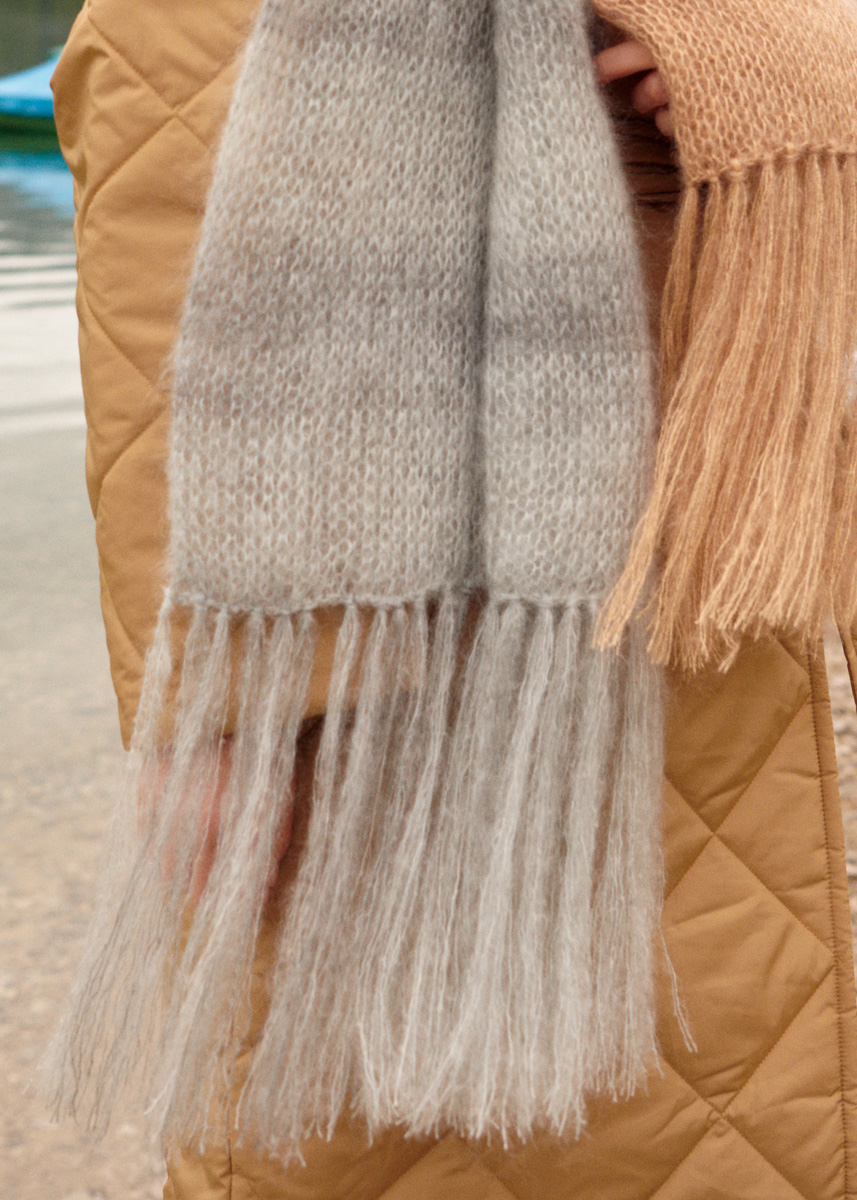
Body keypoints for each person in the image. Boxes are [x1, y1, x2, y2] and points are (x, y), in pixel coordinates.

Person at [48, 2, 857, 1197]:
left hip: (719, 622)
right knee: (404, 1121)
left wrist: (805, 76)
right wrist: (217, 723)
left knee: (736, 1084)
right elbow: (153, 337)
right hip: (410, 715)